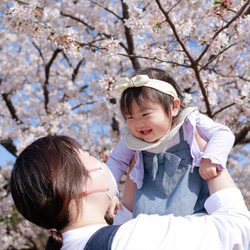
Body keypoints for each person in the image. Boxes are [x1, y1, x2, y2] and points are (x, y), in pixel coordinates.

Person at [10, 135, 250, 250]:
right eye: (90, 156)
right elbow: (237, 229)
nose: (102, 161)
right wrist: (209, 155)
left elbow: (114, 231)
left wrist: (133, 181)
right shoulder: (138, 237)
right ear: (81, 184)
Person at [107, 67, 235, 219]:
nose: (138, 123)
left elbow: (222, 133)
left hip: (194, 210)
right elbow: (115, 161)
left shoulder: (189, 124)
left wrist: (210, 158)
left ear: (173, 107)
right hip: (148, 214)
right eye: (130, 117)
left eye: (145, 114)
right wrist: (109, 193)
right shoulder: (134, 141)